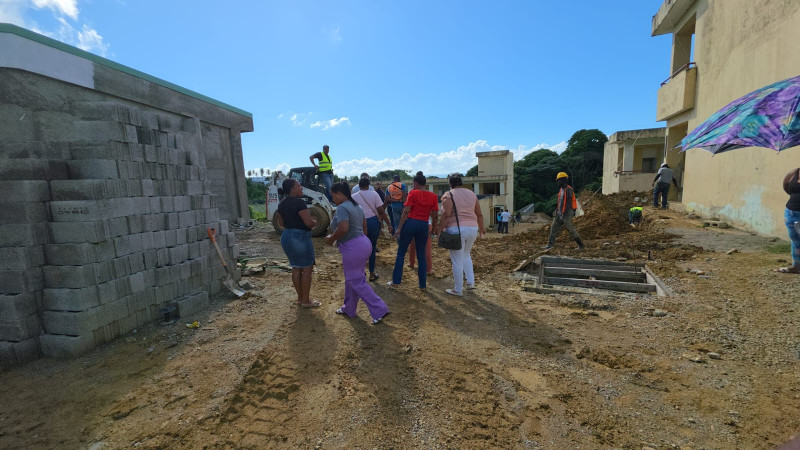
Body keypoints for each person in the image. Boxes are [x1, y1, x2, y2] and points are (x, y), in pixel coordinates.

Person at [325, 182, 391, 324]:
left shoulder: (342, 207)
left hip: (353, 246)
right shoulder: (357, 206)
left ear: (339, 193)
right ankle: (349, 307)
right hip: (362, 242)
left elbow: (343, 228)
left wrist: (331, 239)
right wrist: (362, 244)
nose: (333, 199)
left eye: (333, 196)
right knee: (352, 278)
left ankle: (380, 309)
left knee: (356, 280)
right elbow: (364, 226)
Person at [435, 173, 485, 296]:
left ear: (450, 183)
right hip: (473, 228)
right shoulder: (472, 194)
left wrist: (440, 230)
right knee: (466, 255)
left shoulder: (449, 194)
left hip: (456, 229)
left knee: (457, 260)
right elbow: (479, 213)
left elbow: (446, 214)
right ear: (461, 182)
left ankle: (458, 289)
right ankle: (470, 282)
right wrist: (482, 228)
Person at [389, 171, 439, 289]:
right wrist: (433, 229)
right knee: (421, 255)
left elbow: (406, 211)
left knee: (401, 252)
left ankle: (396, 281)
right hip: (424, 225)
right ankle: (422, 284)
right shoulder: (433, 196)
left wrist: (399, 228)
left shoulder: (413, 193)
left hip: (411, 223)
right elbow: (435, 215)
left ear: (416, 183)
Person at [275, 179, 319, 308]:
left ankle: (300, 299)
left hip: (286, 236)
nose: (301, 188)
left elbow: (281, 224)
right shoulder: (300, 203)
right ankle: (306, 301)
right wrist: (315, 222)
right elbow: (309, 223)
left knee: (296, 267)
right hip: (299, 237)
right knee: (307, 269)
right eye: (299, 186)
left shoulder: (282, 204)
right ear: (292, 189)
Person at [352, 177, 393, 282]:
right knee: (372, 247)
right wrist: (388, 224)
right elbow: (381, 211)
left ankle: (361, 272)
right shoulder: (374, 194)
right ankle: (371, 274)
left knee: (360, 248)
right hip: (373, 223)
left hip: (359, 224)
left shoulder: (353, 197)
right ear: (369, 185)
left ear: (359, 185)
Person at [542, 172, 585, 250]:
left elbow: (568, 204)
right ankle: (550, 245)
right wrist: (557, 210)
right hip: (560, 213)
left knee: (570, 229)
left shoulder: (569, 189)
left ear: (563, 180)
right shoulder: (561, 189)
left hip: (567, 213)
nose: (557, 182)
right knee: (553, 228)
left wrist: (563, 214)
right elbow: (561, 202)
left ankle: (581, 245)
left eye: (559, 180)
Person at [776, 168, 800, 274]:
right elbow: (786, 186)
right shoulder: (794, 172)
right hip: (791, 212)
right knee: (795, 239)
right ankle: (796, 266)